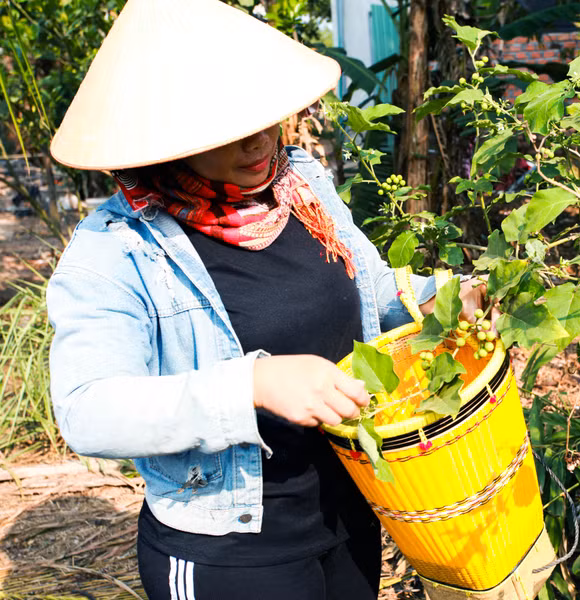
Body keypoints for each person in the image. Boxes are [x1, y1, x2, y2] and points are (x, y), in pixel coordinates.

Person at [45, 0, 488, 598]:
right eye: (229, 131)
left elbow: (373, 290)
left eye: (265, 119)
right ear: (168, 142)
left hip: (352, 508)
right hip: (231, 549)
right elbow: (87, 408)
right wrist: (250, 385)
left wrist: (443, 300)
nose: (258, 144)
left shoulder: (300, 183)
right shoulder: (117, 248)